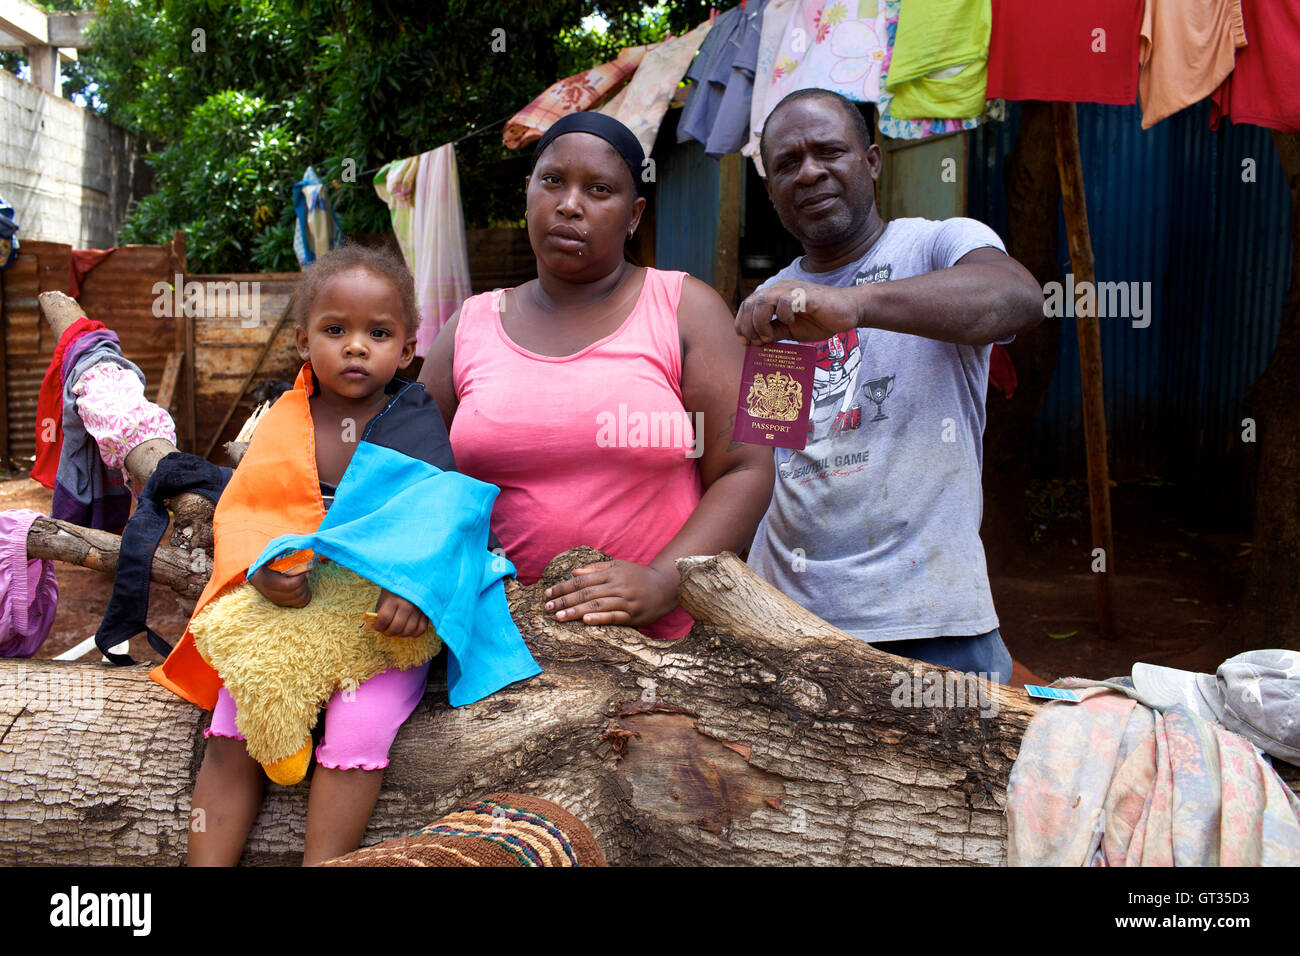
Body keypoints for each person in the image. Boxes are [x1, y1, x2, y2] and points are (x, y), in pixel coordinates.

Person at [171, 246, 535, 865]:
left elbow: (444, 519)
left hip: (374, 620)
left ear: (409, 347)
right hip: (294, 609)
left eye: (379, 333)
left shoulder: (414, 419)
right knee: (235, 716)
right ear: (302, 341)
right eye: (335, 330)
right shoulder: (284, 420)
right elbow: (248, 512)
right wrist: (264, 573)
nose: (357, 346)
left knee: (357, 723)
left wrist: (416, 589)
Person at [419, 112, 774, 639]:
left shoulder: (686, 308)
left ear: (633, 215)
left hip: (665, 651)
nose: (569, 204)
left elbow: (747, 468)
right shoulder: (467, 327)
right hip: (496, 643)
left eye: (599, 189)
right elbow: (413, 475)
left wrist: (663, 581)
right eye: (553, 181)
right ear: (528, 193)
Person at [734, 89, 1045, 681]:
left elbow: (1017, 299)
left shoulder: (936, 245)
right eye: (787, 164)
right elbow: (777, 460)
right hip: (787, 623)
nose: (810, 172)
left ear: (872, 161)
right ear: (771, 189)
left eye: (830, 151)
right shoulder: (772, 297)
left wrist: (851, 305)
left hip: (928, 616)